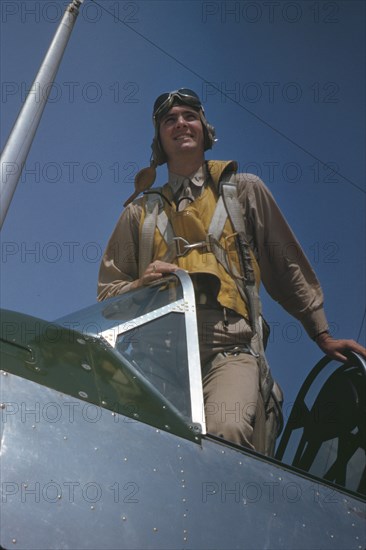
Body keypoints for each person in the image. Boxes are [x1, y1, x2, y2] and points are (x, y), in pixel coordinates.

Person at [97, 88, 366, 455]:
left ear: (205, 129)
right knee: (136, 447)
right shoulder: (138, 214)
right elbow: (108, 298)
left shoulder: (243, 192)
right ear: (159, 139)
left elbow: (286, 265)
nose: (180, 124)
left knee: (225, 432)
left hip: (230, 346)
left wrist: (320, 333)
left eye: (189, 116)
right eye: (169, 120)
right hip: (159, 353)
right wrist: (142, 284)